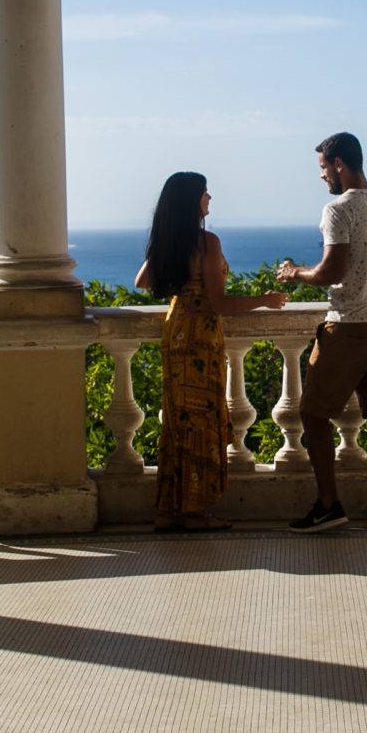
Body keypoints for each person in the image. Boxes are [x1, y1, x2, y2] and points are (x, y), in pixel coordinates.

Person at [277, 132, 367, 531]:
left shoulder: (338, 209)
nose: (322, 176)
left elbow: (331, 271)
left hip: (349, 328)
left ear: (339, 164)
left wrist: (294, 272)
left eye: (323, 168)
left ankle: (329, 505)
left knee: (312, 413)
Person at [135, 171, 285, 532]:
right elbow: (219, 302)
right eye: (205, 193)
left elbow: (143, 281)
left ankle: (170, 509)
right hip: (200, 337)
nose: (210, 198)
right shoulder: (207, 243)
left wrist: (182, 286)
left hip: (176, 330)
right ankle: (195, 512)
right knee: (201, 419)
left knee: (179, 419)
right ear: (192, 201)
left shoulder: (169, 241)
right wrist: (264, 300)